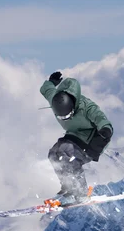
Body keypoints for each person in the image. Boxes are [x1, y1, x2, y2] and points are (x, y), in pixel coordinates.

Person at [40, 71, 113, 204]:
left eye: (68, 115)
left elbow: (102, 120)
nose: (65, 119)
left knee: (69, 158)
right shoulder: (55, 99)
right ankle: (68, 187)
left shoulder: (87, 107)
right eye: (62, 117)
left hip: (94, 139)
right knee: (53, 154)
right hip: (74, 135)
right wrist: (51, 82)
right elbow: (46, 90)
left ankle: (81, 193)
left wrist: (105, 130)